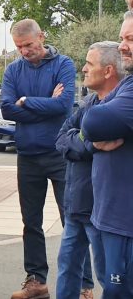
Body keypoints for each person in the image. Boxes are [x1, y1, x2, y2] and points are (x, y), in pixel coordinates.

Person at [0, 19, 76, 299]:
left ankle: (82, 284)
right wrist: (43, 102)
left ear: (41, 37)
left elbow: (64, 105)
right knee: (30, 222)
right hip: (28, 157)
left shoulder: (63, 64)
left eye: (28, 45)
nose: (24, 51)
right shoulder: (13, 70)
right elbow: (7, 110)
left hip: (60, 155)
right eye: (19, 47)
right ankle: (36, 281)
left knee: (73, 220)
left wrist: (26, 101)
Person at [56, 42, 121, 299]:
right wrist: (90, 142)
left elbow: (78, 140)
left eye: (89, 64)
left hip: (101, 210)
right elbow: (61, 138)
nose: (83, 68)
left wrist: (80, 141)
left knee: (109, 276)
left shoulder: (119, 108)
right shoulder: (88, 103)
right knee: (68, 268)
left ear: (107, 71)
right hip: (75, 206)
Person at [82, 11, 133, 298]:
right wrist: (90, 137)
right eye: (121, 37)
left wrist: (92, 130)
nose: (123, 45)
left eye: (130, 38)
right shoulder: (126, 85)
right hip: (106, 214)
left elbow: (92, 122)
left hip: (125, 223)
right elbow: (84, 122)